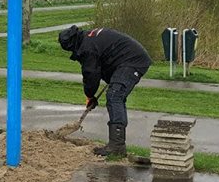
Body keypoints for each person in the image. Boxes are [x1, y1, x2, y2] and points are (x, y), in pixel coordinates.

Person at [58, 25, 151, 157]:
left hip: (132, 61)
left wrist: (90, 95)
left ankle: (117, 146)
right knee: (115, 94)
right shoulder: (88, 38)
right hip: (126, 60)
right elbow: (101, 65)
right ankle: (117, 145)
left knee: (114, 95)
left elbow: (91, 74)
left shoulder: (87, 47)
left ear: (72, 44)